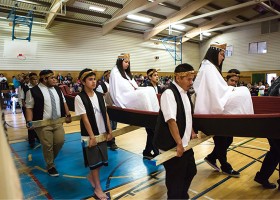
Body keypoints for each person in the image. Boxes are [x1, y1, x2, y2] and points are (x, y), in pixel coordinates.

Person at [193, 43, 254, 175]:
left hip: (217, 108)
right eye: (222, 55)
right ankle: (224, 165)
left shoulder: (210, 67)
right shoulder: (208, 68)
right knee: (223, 139)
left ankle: (213, 158)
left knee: (226, 139)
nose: (223, 58)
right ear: (215, 53)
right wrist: (232, 90)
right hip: (212, 111)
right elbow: (215, 92)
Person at [154, 63, 197, 199]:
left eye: (192, 79)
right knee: (175, 181)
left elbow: (187, 115)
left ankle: (182, 196)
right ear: (178, 78)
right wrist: (179, 143)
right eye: (189, 79)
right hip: (171, 144)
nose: (191, 82)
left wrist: (192, 132)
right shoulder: (169, 93)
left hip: (184, 142)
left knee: (191, 170)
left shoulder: (184, 93)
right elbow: (171, 121)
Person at [74, 68, 113, 200]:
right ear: (83, 82)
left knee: (102, 161)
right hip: (90, 135)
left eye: (94, 79)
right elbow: (84, 119)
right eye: (90, 79)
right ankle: (98, 188)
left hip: (102, 133)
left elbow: (105, 113)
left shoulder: (100, 95)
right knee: (95, 164)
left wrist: (109, 130)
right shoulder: (79, 98)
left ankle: (91, 177)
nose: (93, 82)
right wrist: (91, 137)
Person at [25, 70, 72, 176]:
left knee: (60, 141)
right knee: (47, 145)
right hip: (43, 124)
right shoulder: (32, 91)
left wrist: (68, 115)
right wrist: (29, 121)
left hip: (57, 122)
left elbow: (63, 102)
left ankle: (49, 158)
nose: (55, 79)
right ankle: (50, 165)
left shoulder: (57, 89)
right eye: (52, 78)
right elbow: (29, 108)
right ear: (44, 79)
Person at [204, 69, 241, 177]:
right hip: (218, 122)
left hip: (229, 123)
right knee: (221, 144)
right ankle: (226, 167)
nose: (234, 83)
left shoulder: (236, 91)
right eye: (232, 80)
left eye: (236, 81)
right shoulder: (220, 91)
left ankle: (211, 157)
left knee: (228, 141)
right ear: (226, 80)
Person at [254, 77, 280, 189]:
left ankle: (262, 177)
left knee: (275, 152)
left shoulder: (276, 82)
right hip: (275, 123)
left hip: (269, 123)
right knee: (276, 151)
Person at [142, 68, 163, 159]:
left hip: (157, 113)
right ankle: (156, 152)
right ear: (150, 77)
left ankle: (146, 151)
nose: (157, 76)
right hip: (149, 114)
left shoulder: (158, 88)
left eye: (157, 75)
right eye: (154, 75)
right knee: (154, 133)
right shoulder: (147, 88)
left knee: (151, 134)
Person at [96, 70, 119, 151]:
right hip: (106, 109)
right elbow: (99, 98)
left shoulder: (115, 85)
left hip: (115, 108)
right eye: (110, 75)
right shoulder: (100, 86)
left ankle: (112, 141)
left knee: (114, 126)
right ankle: (110, 142)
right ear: (105, 76)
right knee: (107, 125)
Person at [20, 73, 40, 148]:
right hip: (28, 108)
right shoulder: (25, 87)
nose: (35, 81)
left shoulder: (39, 87)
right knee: (30, 124)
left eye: (36, 79)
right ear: (30, 80)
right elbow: (22, 98)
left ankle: (38, 137)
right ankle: (31, 141)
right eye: (33, 79)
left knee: (38, 123)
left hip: (37, 108)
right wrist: (26, 107)